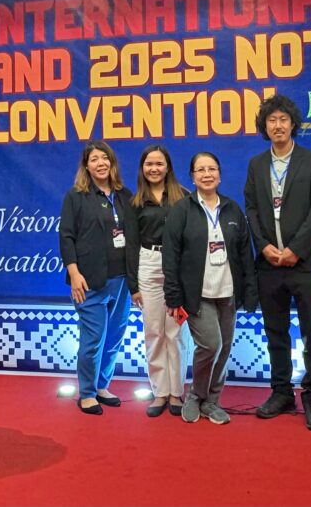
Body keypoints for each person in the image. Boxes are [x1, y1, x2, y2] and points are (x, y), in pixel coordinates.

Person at [244, 94, 311, 431]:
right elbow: (252, 209)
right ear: (264, 126)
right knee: (275, 332)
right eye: (271, 120)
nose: (278, 125)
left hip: (304, 262)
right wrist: (264, 246)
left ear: (293, 123)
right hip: (269, 264)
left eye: (283, 119)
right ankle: (281, 392)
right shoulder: (256, 165)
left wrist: (296, 248)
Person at [163, 152, 257, 425]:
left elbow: (245, 253)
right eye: (201, 170)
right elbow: (171, 255)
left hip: (228, 293)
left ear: (219, 174)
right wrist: (173, 296)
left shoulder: (232, 209)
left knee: (224, 348)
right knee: (210, 345)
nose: (207, 174)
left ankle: (212, 401)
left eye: (212, 169)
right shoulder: (182, 210)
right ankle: (195, 395)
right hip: (197, 294)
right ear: (192, 177)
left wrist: (250, 290)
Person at [59, 140, 139, 415]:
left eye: (105, 158)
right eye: (94, 159)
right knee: (93, 339)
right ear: (86, 166)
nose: (101, 163)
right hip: (90, 281)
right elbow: (66, 236)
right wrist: (74, 272)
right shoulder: (76, 196)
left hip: (122, 281)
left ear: (112, 162)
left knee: (114, 338)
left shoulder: (125, 195)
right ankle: (87, 393)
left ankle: (102, 386)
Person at [130, 144, 191, 418]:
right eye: (149, 164)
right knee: (154, 332)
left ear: (168, 167)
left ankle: (177, 391)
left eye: (159, 164)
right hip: (148, 264)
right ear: (142, 168)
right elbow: (131, 245)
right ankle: (160, 392)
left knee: (175, 333)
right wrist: (134, 285)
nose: (154, 169)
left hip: (177, 265)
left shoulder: (184, 197)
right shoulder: (136, 202)